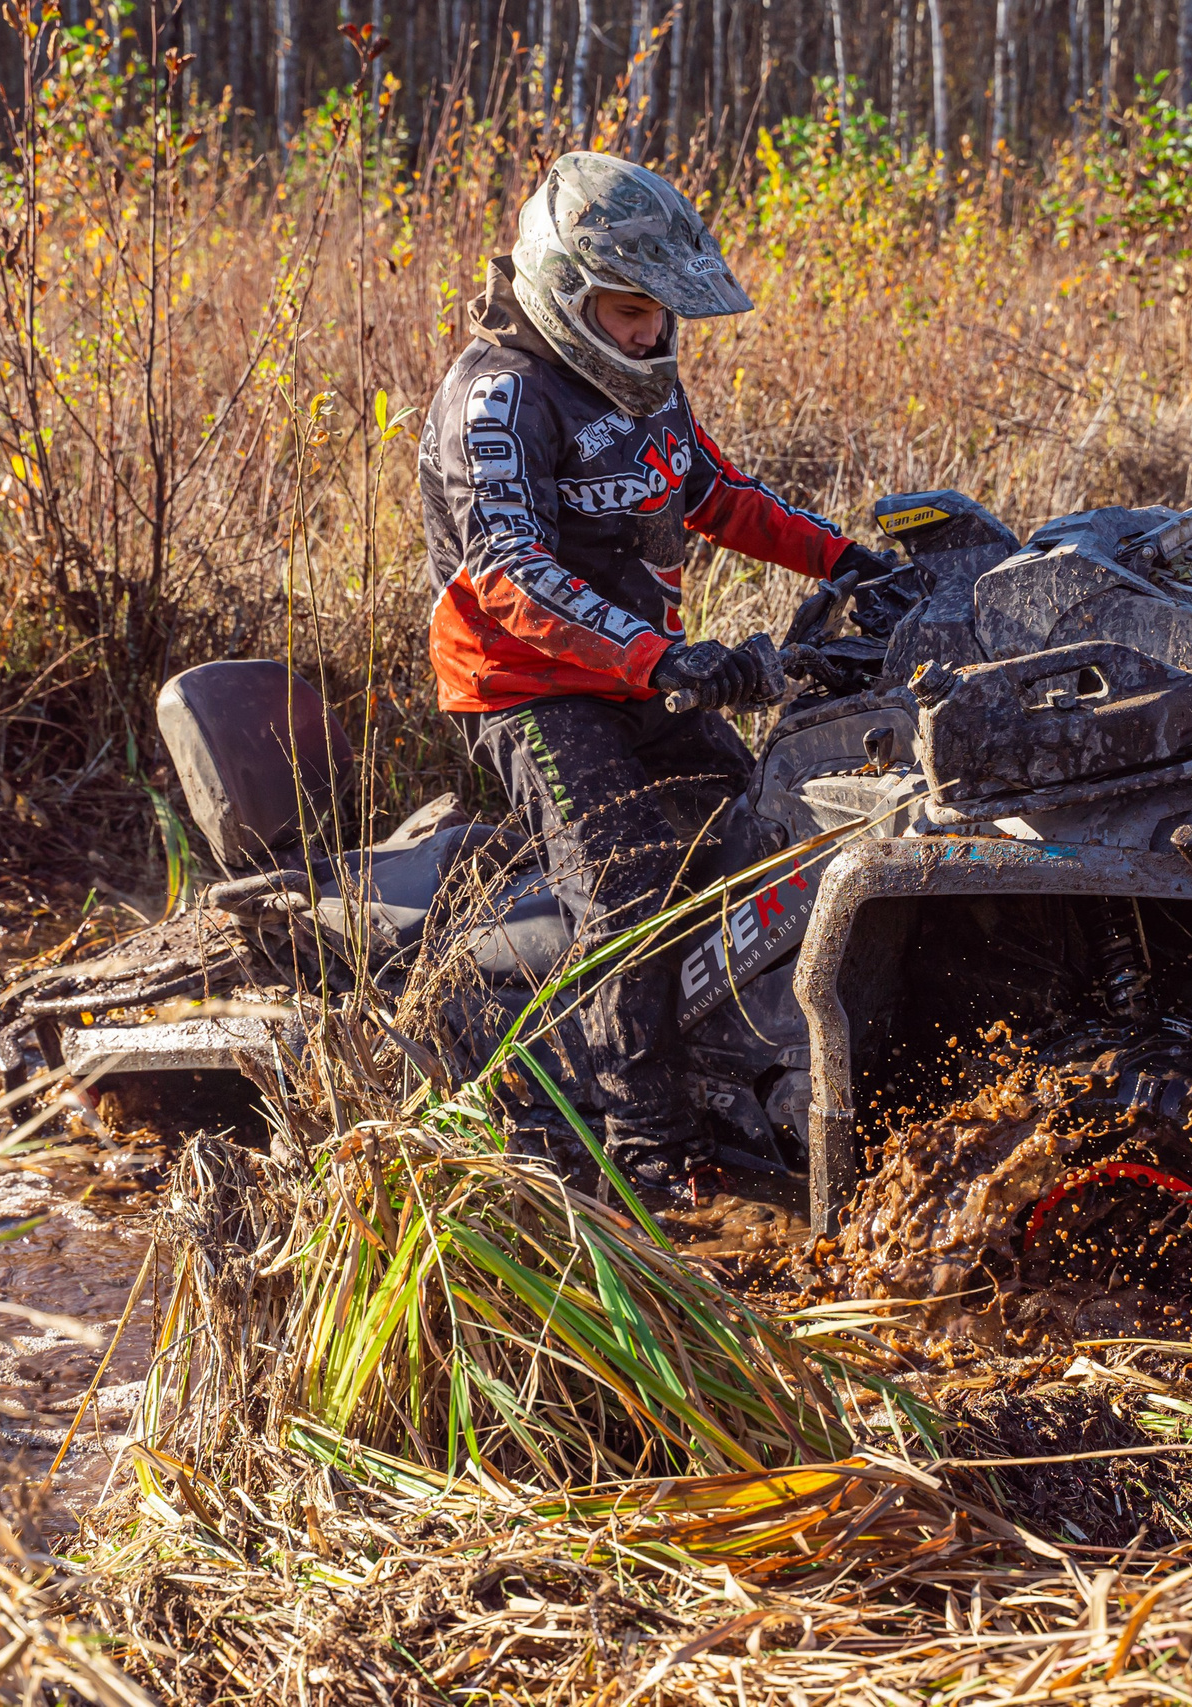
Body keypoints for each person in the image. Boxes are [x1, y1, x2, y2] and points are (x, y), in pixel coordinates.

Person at [420, 151, 891, 1200]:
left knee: (769, 831)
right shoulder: (498, 401)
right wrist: (668, 658)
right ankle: (644, 1159)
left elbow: (717, 491)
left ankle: (751, 1082)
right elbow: (509, 573)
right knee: (627, 893)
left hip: (643, 669)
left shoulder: (644, 386)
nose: (650, 334)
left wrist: (851, 561)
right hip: (525, 686)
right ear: (568, 293)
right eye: (630, 312)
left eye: (658, 314)